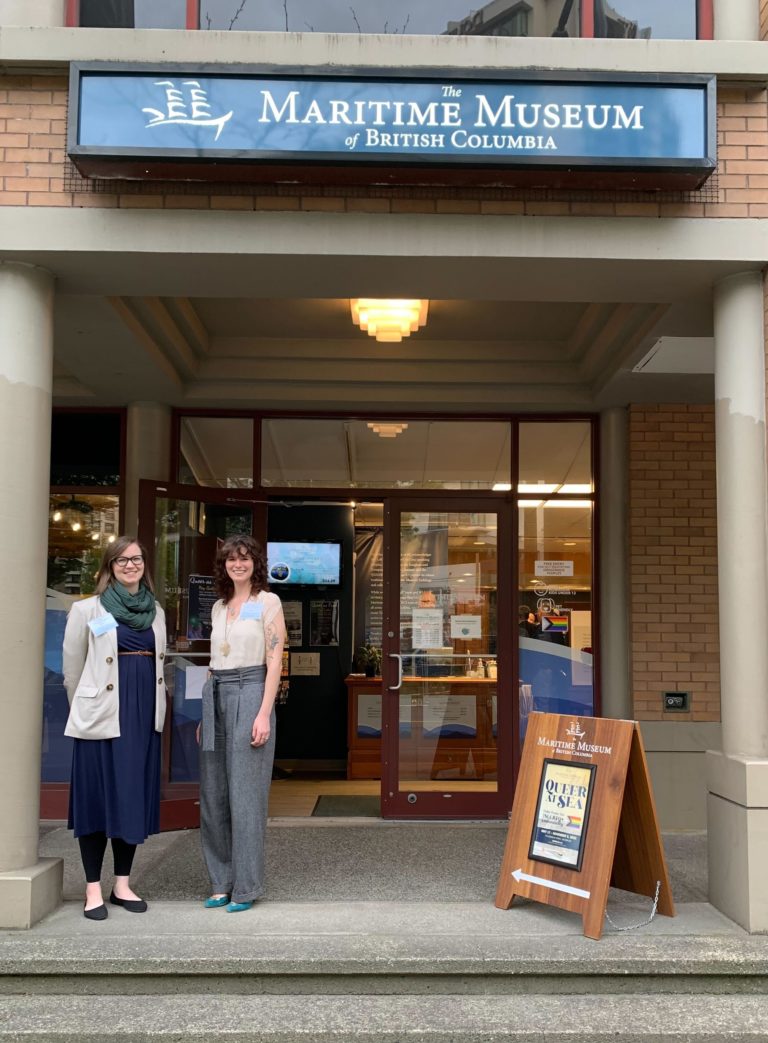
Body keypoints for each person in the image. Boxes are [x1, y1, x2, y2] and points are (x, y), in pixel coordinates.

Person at [62, 537, 166, 921]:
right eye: (121, 560)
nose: (130, 565)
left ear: (144, 564)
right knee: (96, 799)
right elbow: (73, 667)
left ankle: (122, 884)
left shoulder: (154, 611)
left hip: (141, 717)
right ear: (109, 566)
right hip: (101, 716)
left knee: (131, 797)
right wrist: (85, 709)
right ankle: (92, 888)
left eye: (136, 559)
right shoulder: (87, 608)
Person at [198, 534, 286, 913]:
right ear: (224, 565)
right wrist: (205, 712)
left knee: (246, 796)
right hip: (215, 691)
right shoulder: (219, 607)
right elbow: (213, 659)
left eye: (245, 558)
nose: (238, 564)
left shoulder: (267, 602)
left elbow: (275, 659)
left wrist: (264, 712)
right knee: (213, 796)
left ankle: (246, 887)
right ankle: (220, 882)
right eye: (232, 559)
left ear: (255, 565)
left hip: (251, 690)